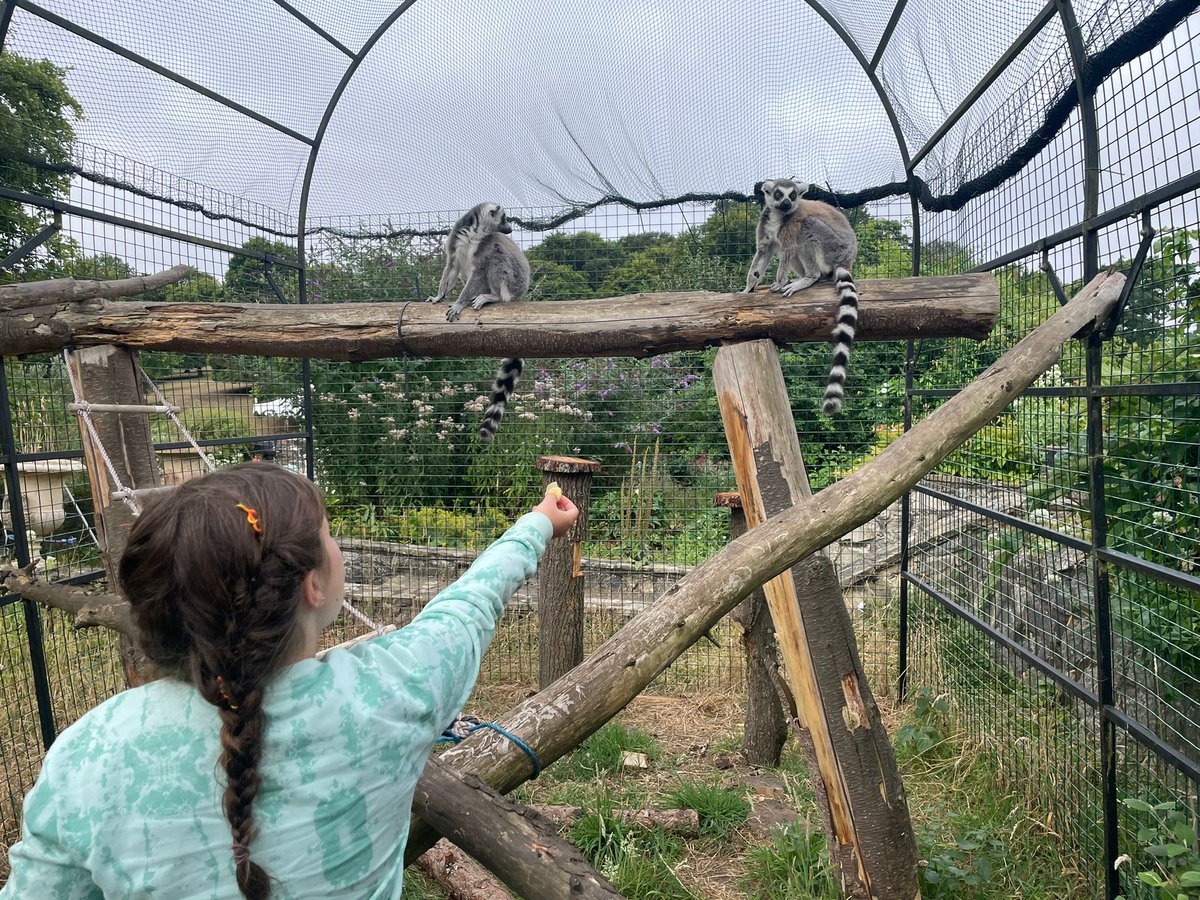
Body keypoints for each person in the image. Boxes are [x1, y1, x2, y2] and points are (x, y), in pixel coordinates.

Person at [1, 462, 577, 899]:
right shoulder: (396, 691)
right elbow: (470, 605)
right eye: (328, 534)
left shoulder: (88, 754)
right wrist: (538, 524)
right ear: (312, 587)